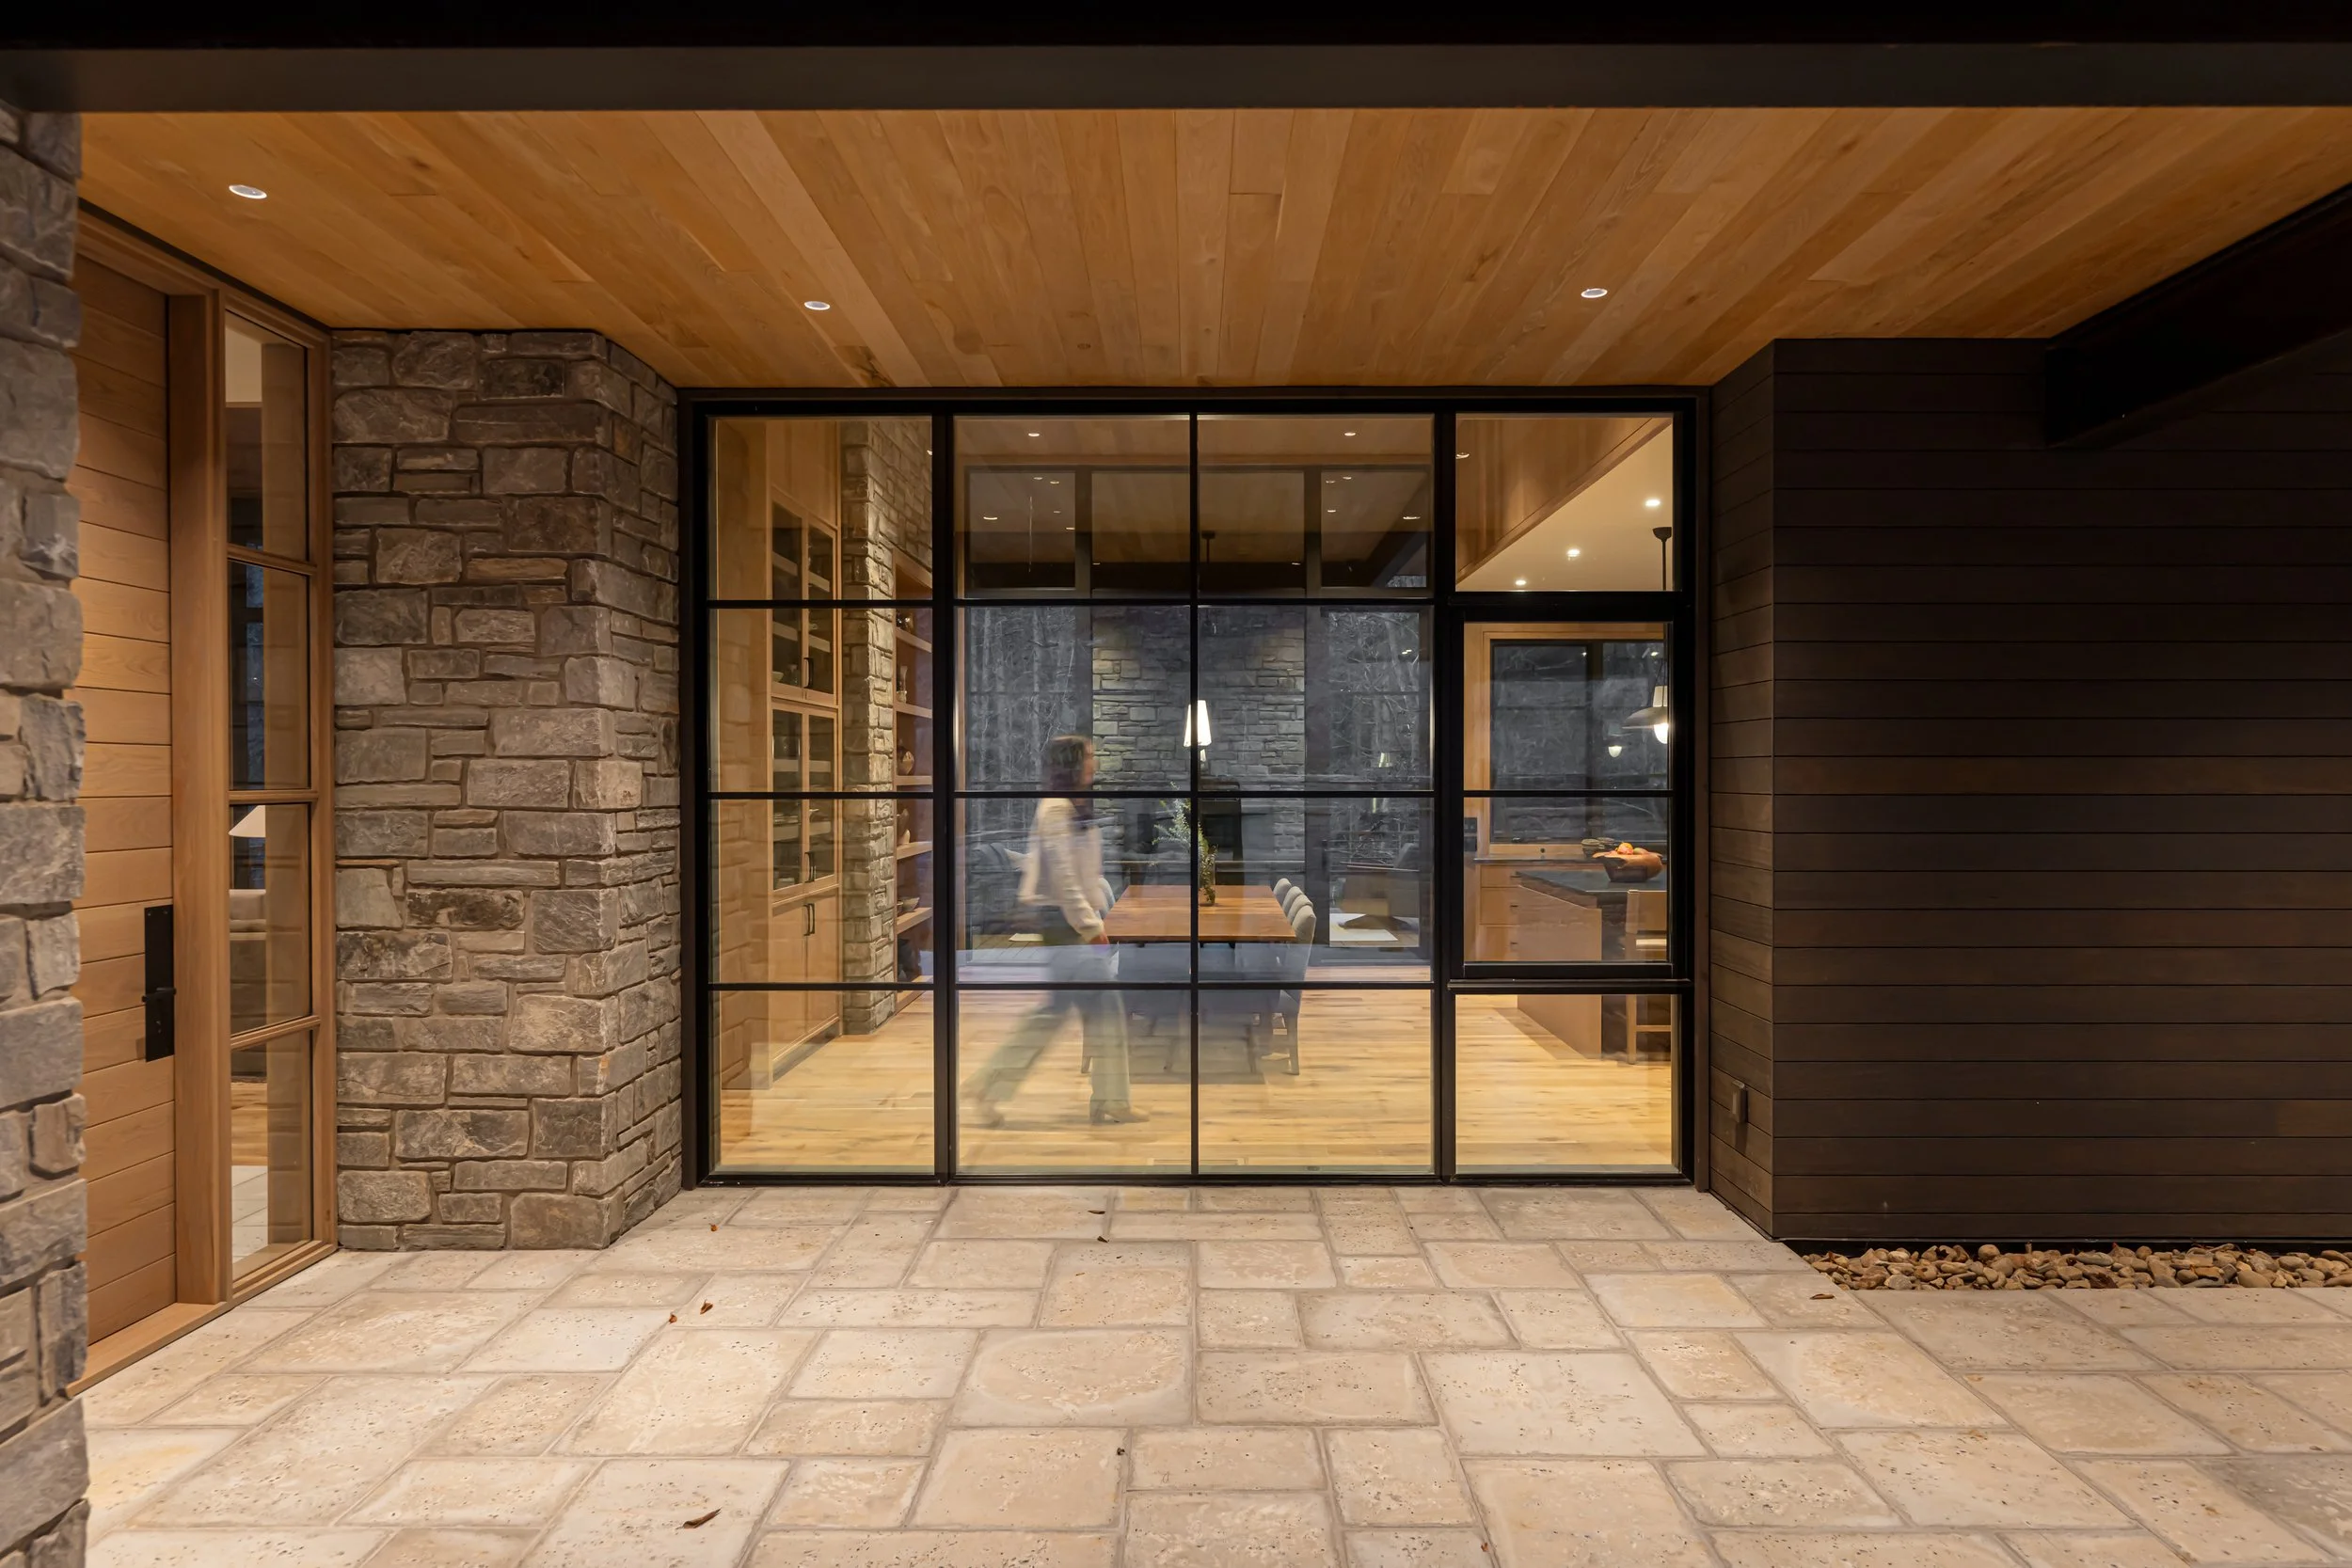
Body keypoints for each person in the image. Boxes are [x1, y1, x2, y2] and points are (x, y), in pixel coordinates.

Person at [965, 735, 1145, 1127]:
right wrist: (1091, 926)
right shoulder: (1056, 810)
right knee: (1089, 1010)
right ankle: (1108, 1100)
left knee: (1075, 1010)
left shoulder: (1073, 807)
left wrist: (1096, 910)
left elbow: (1079, 872)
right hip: (1066, 927)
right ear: (1072, 763)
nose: (1095, 762)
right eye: (1090, 756)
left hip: (1071, 925)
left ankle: (1106, 1099)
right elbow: (1063, 877)